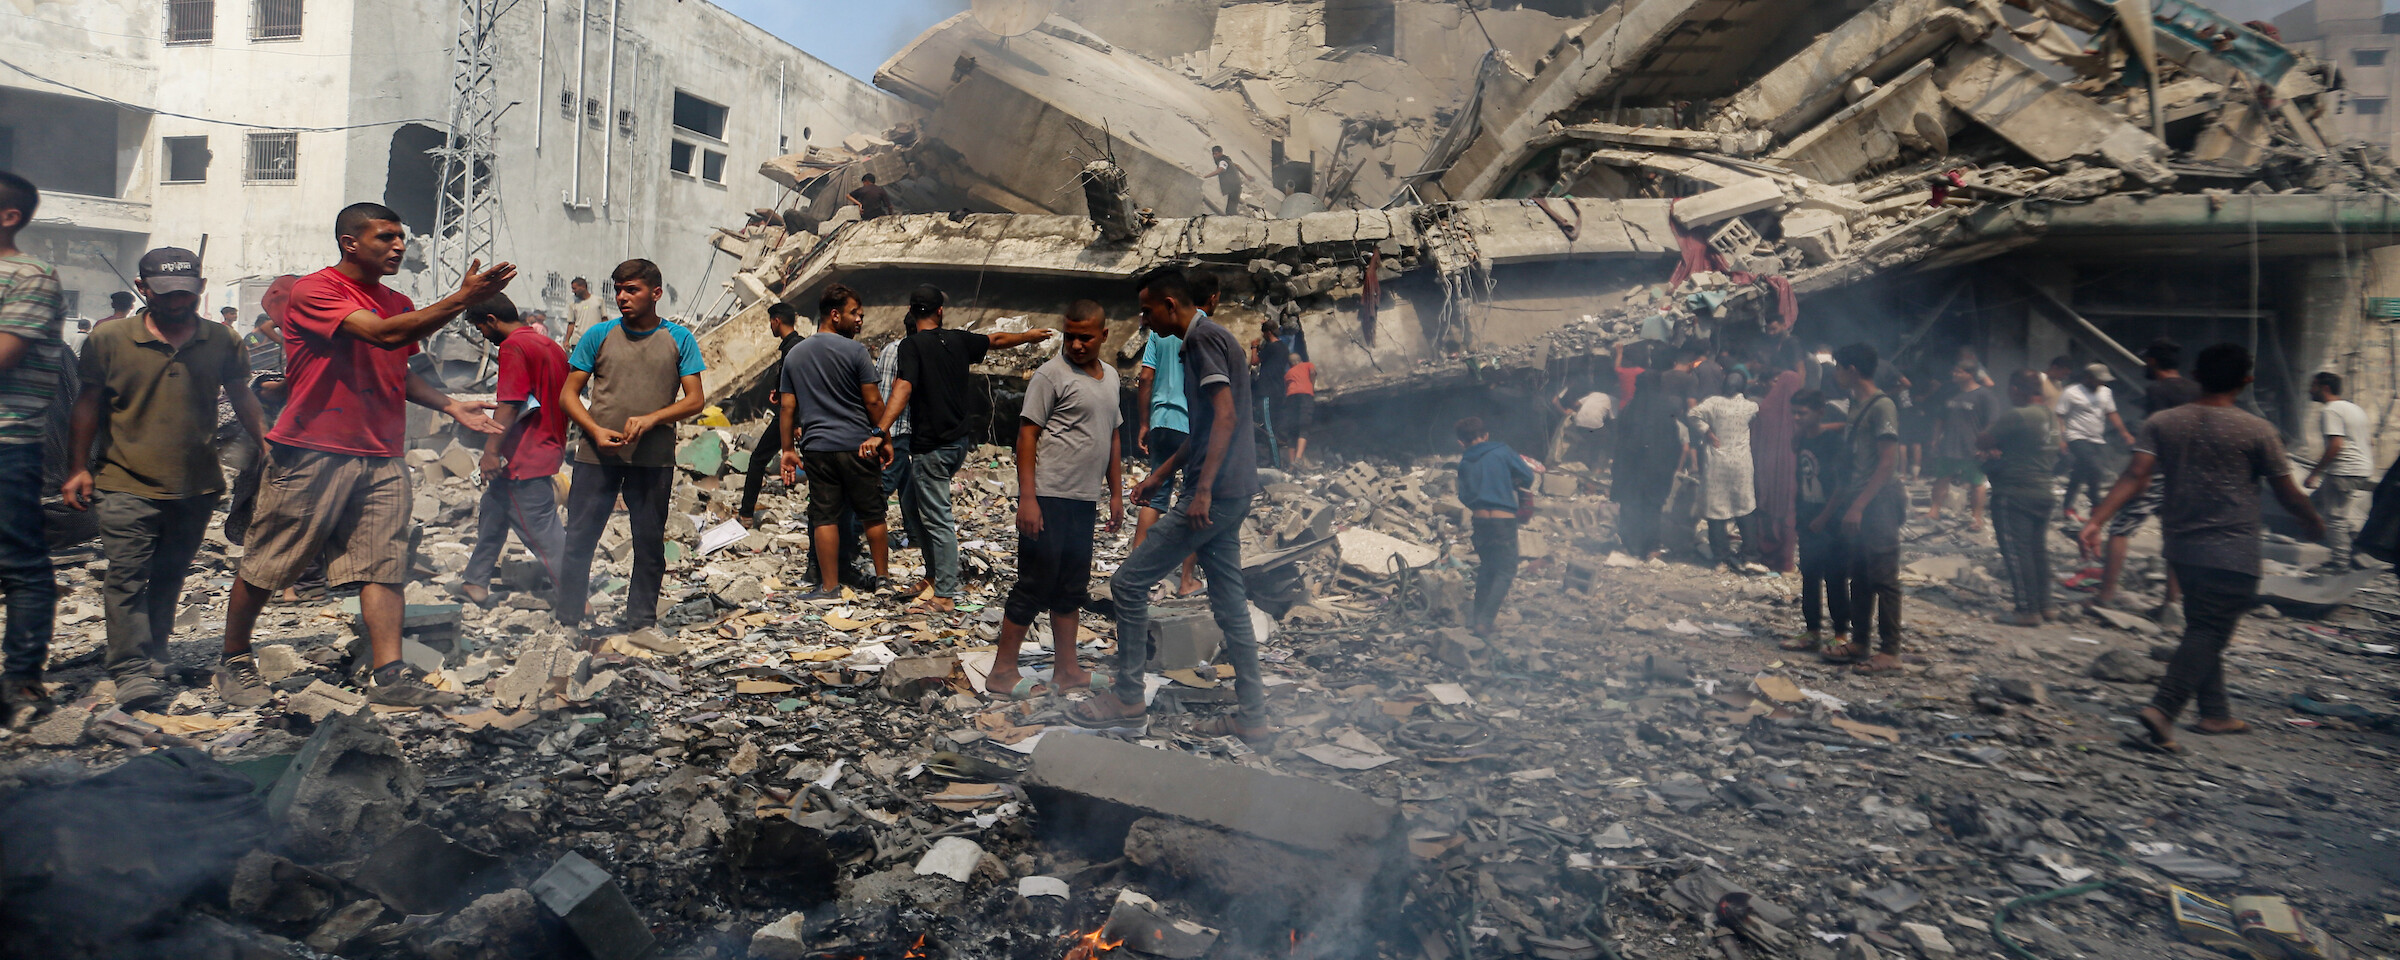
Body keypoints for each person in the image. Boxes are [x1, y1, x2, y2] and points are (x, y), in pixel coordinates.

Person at [221, 202, 511, 707]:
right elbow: (383, 334)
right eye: (385, 237)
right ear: (350, 242)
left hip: (380, 454)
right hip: (312, 450)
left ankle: (389, 674)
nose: (398, 246)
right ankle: (234, 659)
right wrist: (461, 298)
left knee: (384, 565)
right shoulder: (317, 290)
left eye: (401, 237)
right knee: (267, 563)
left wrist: (450, 405)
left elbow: (400, 368)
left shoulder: (397, 299)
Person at [2080, 344, 2322, 753]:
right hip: (2233, 550)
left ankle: (2215, 712)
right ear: (2246, 381)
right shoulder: (2257, 430)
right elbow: (2287, 492)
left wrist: (2096, 519)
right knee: (2211, 630)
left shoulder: (2164, 422)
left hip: (2181, 547)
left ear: (2197, 375)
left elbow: (2136, 475)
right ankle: (2164, 707)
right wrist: (2313, 521)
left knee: (2202, 628)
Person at [1068, 268, 1269, 743]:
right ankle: (1254, 718)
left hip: (1214, 493)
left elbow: (1225, 416)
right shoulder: (1212, 338)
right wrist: (1162, 473)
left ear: (1171, 306)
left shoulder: (1200, 341)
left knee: (1129, 583)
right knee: (1229, 603)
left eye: (1147, 309)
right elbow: (1202, 428)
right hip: (1233, 488)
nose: (1144, 318)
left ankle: (1128, 697)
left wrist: (1201, 491)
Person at [58, 247, 263, 710]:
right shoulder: (109, 340)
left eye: (187, 293)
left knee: (170, 573)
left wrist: (268, 445)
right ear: (143, 288)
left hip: (197, 482)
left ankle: (156, 649)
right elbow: (87, 404)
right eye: (167, 293)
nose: (178, 301)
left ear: (201, 289)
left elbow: (242, 397)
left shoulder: (221, 340)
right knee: (128, 574)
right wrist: (77, 467)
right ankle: (129, 668)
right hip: (124, 479)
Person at [872, 284, 1055, 612]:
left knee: (937, 519)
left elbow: (903, 386)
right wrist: (1028, 336)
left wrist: (880, 429)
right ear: (940, 311)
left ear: (913, 313)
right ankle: (933, 577)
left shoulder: (910, 347)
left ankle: (944, 594)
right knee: (913, 506)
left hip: (933, 448)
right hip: (956, 443)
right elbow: (996, 340)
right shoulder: (957, 339)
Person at [557, 259, 707, 635]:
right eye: (618, 290)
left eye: (632, 290)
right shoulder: (599, 335)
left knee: (649, 542)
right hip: (597, 455)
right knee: (579, 538)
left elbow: (695, 400)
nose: (622, 297)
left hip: (652, 458)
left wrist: (652, 419)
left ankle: (640, 622)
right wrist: (593, 429)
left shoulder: (679, 339)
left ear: (655, 294)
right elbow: (568, 395)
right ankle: (568, 621)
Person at [989, 301, 1121, 698]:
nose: (1077, 344)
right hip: (1048, 496)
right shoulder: (1050, 375)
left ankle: (1066, 670)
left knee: (1071, 587)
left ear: (1103, 335)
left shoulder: (1112, 377)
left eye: (1085, 337)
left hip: (1083, 500)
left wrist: (1115, 494)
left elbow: (1113, 436)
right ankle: (1002, 672)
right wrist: (1026, 499)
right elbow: (1026, 435)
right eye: (1070, 336)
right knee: (1034, 584)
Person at [779, 284, 894, 600]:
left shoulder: (795, 354)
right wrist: (883, 436)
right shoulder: (856, 352)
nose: (860, 320)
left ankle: (829, 586)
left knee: (825, 515)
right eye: (854, 313)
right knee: (872, 512)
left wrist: (788, 449)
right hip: (858, 446)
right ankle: (883, 578)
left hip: (817, 449)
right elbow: (872, 402)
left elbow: (788, 408)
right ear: (834, 314)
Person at [456, 293, 569, 609]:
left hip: (525, 454)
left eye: (481, 329)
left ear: (491, 320)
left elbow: (510, 402)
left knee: (542, 530)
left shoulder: (514, 346)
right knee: (493, 509)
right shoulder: (550, 346)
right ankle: (475, 582)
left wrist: (491, 450)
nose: (483, 336)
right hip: (545, 445)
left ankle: (576, 598)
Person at [2089, 339, 2199, 617]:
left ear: (2152, 362)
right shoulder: (2196, 390)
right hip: (2188, 475)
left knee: (2120, 528)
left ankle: (2105, 595)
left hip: (2159, 470)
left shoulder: (2158, 391)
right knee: (2174, 535)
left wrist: (2144, 475)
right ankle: (2171, 602)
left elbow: (2157, 434)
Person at [1819, 343, 1905, 673]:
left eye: (1839, 367)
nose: (1837, 374)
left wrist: (1858, 506)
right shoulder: (1858, 404)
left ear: (1851, 369)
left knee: (1884, 577)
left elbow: (1886, 464)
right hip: (1860, 498)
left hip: (1878, 500)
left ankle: (1890, 652)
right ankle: (1860, 642)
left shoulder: (1883, 406)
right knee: (1860, 575)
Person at [1980, 369, 2060, 626]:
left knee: (2016, 552)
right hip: (2043, 490)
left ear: (2015, 389)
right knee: (2037, 551)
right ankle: (2046, 606)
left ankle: (2026, 610)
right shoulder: (2050, 415)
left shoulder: (2018, 415)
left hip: (2014, 492)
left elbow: (1982, 441)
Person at [1135, 290, 1201, 597]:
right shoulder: (1200, 329)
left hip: (1161, 420)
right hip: (1190, 425)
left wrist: (1145, 422)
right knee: (1191, 498)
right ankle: (1187, 581)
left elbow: (1146, 377)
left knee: (1155, 497)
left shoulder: (1157, 335)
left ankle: (1136, 573)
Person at [1781, 391, 1851, 652]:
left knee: (1835, 576)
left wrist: (1825, 517)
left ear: (1820, 411)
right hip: (1807, 515)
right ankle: (1812, 632)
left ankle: (1841, 634)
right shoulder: (1801, 439)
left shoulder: (1833, 442)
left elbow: (1842, 485)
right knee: (1809, 576)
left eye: (1803, 413)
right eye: (1795, 412)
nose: (1797, 417)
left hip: (1831, 519)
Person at [1456, 417, 1536, 637]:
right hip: (1504, 521)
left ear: (1461, 442)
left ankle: (1477, 619)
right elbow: (1527, 475)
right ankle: (1485, 622)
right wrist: (1511, 484)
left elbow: (1464, 496)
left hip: (1480, 521)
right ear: (1486, 435)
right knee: (1506, 570)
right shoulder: (1502, 451)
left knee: (1487, 569)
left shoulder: (1464, 462)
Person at [737, 302, 806, 522]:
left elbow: (798, 387)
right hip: (799, 414)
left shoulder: (791, 349)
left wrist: (795, 423)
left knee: (758, 459)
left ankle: (746, 514)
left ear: (776, 320)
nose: (771, 326)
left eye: (771, 321)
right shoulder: (800, 345)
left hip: (791, 415)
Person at [2303, 371, 2375, 573]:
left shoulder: (2331, 410)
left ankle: (2340, 563)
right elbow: (2369, 441)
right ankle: (2354, 550)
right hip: (2359, 468)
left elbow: (2336, 444)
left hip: (2344, 470)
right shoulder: (2353, 408)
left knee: (2335, 517)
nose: (2310, 390)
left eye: (2313, 386)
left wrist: (2315, 473)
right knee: (2315, 503)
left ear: (2324, 388)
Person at [1614, 368, 1683, 562]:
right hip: (1657, 469)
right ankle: (1650, 547)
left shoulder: (1630, 409)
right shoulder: (1667, 409)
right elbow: (1674, 443)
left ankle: (1630, 545)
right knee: (1652, 507)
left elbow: (1621, 441)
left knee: (1630, 505)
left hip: (1632, 469)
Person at [1692, 372, 1759, 567]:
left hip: (1717, 463)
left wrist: (1707, 431)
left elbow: (1692, 414)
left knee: (1716, 509)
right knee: (1745, 508)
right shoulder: (1750, 406)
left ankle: (1720, 557)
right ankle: (1750, 556)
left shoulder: (1713, 402)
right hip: (1741, 465)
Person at [1750, 342, 1806, 572]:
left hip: (1765, 468)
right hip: (1791, 470)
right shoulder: (1800, 415)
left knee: (1766, 509)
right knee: (1788, 512)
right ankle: (1785, 561)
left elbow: (1754, 440)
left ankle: (1767, 555)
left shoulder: (1764, 409)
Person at [1927, 361, 2001, 530]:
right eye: (1954, 371)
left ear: (1970, 374)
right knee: (1941, 479)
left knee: (1976, 483)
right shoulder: (1950, 393)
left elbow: (1992, 423)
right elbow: (1940, 419)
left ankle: (1976, 518)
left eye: (1958, 372)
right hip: (1949, 445)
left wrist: (1985, 446)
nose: (1954, 374)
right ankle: (1934, 510)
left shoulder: (1985, 396)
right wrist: (1935, 439)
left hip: (1972, 448)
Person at [2057, 362, 2133, 521]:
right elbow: (2059, 416)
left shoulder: (2106, 392)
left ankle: (2067, 507)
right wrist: (2061, 438)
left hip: (2096, 438)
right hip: (2076, 436)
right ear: (2087, 378)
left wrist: (2124, 432)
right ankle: (2097, 504)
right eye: (2098, 379)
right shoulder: (2071, 392)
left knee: (2079, 473)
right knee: (2095, 468)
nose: (2101, 383)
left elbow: (2112, 413)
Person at [1251, 320, 1289, 468]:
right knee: (1275, 426)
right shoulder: (1283, 348)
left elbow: (1254, 361)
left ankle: (1276, 464)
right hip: (1279, 391)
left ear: (1268, 333)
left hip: (1267, 391)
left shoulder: (1272, 347)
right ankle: (1278, 462)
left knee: (1269, 429)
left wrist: (1254, 347)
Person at [1553, 381, 1613, 471]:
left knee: (1593, 437)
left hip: (1579, 426)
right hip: (1592, 428)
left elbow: (1575, 404)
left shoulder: (1591, 396)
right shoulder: (1610, 399)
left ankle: (1592, 463)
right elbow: (1614, 420)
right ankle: (1597, 467)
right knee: (1604, 439)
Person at [1280, 336, 1316, 467]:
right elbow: (1312, 372)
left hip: (1291, 398)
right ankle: (1299, 459)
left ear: (1289, 365)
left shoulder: (1287, 374)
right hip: (1305, 396)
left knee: (1292, 430)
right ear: (1300, 361)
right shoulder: (1307, 364)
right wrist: (1311, 385)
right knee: (1304, 427)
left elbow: (1287, 388)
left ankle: (1291, 464)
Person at [563, 276, 603, 350]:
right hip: (577, 342)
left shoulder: (599, 301)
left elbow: (604, 320)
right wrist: (567, 340)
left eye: (574, 288)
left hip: (595, 342)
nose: (573, 291)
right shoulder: (573, 304)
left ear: (583, 287)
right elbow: (571, 323)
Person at [1209, 145, 1245, 215]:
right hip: (1236, 187)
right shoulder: (1227, 159)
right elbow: (1237, 166)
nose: (1214, 156)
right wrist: (1246, 175)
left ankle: (1243, 222)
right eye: (1213, 154)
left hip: (1234, 188)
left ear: (1220, 153)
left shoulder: (1222, 161)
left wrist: (1206, 176)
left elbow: (1220, 170)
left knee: (1231, 211)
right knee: (1231, 209)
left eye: (1216, 154)